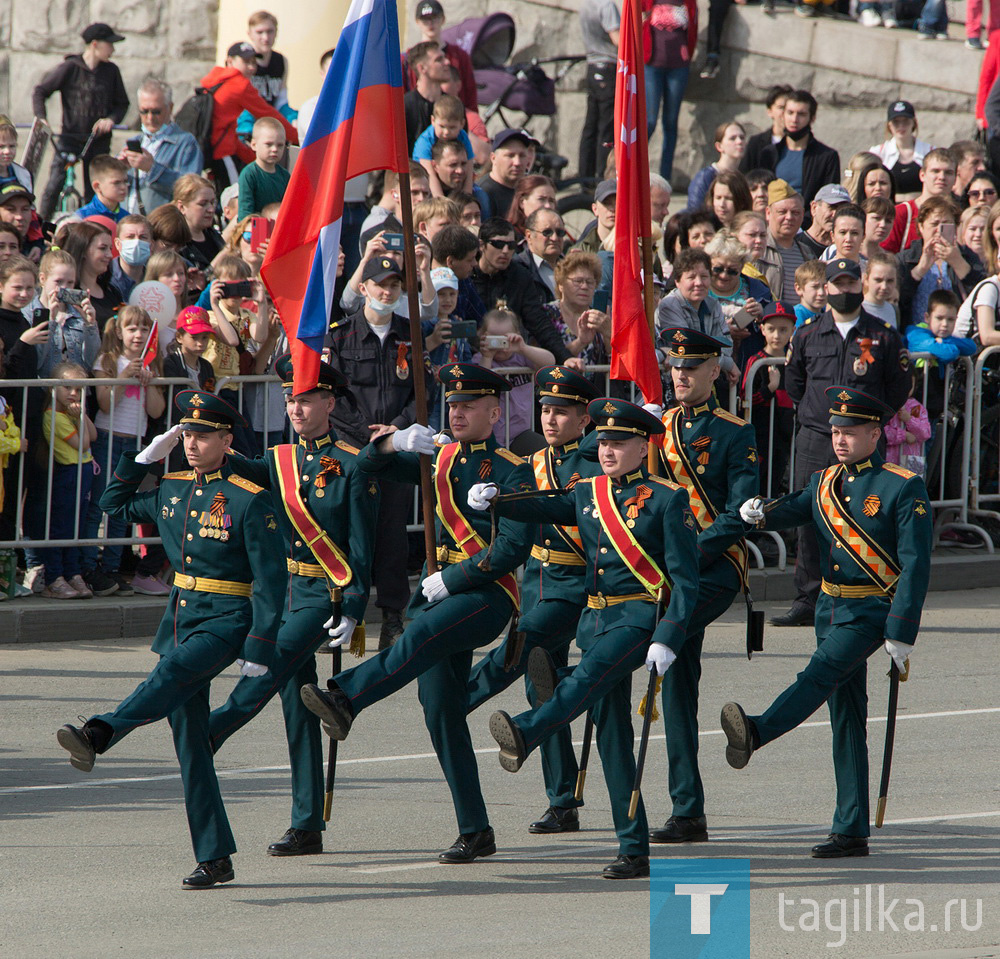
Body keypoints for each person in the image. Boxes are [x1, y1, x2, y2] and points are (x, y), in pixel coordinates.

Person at [300, 364, 534, 863]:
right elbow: (367, 468)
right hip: (438, 590)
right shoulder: (438, 458)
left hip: (486, 593)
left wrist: (454, 578)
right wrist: (394, 444)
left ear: (495, 412)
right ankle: (475, 829)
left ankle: (347, 698)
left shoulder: (513, 468)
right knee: (441, 713)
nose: (457, 411)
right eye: (453, 404)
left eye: (469, 405)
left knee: (416, 635)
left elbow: (513, 548)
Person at [56, 390, 287, 887]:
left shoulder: (250, 498)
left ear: (227, 440)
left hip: (227, 617)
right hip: (181, 615)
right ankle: (215, 856)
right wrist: (142, 458)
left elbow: (271, 580)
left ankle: (101, 732)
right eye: (187, 434)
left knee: (174, 670)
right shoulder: (173, 488)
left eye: (203, 435)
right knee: (192, 748)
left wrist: (261, 646)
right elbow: (112, 503)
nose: (192, 443)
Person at [470, 398, 700, 879]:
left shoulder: (667, 497)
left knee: (586, 678)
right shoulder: (588, 490)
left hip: (638, 619)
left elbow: (686, 579)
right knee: (613, 736)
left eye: (618, 443)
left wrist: (670, 636)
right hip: (594, 622)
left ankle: (529, 729)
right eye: (603, 443)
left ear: (643, 446)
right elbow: (547, 503)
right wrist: (498, 497)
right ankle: (633, 847)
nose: (608, 450)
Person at [727, 386, 932, 858]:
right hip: (830, 607)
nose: (839, 439)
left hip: (870, 611)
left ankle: (758, 730)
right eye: (835, 431)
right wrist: (759, 513)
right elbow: (794, 508)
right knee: (847, 715)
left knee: (817, 675)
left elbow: (916, 563)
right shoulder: (824, 482)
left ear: (875, 433)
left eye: (850, 431)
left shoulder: (902, 485)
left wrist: (901, 630)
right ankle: (851, 828)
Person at [207, 354, 377, 856]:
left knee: (268, 664)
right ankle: (306, 823)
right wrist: (204, 433)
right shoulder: (280, 459)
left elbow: (362, 544)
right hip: (283, 593)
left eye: (305, 399)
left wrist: (353, 605)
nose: (295, 408)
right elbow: (239, 466)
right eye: (289, 399)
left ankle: (212, 730)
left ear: (328, 402)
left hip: (322, 594)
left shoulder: (351, 462)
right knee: (298, 706)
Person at [463, 366, 601, 834]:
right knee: (542, 685)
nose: (549, 419)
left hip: (579, 583)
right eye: (544, 409)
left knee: (521, 645)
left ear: (585, 419)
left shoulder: (595, 463)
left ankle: (460, 700)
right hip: (539, 577)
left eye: (561, 412)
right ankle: (562, 800)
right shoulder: (534, 460)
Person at [640, 329, 758, 845]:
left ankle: (578, 684)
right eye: (675, 366)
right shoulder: (656, 426)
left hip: (713, 567)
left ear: (716, 371)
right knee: (679, 679)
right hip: (665, 568)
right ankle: (687, 811)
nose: (681, 375)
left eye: (693, 367)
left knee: (665, 635)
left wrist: (686, 552)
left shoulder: (735, 432)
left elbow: (739, 515)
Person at [770, 259, 911, 628]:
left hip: (864, 440)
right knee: (809, 517)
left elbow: (898, 387)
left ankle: (870, 588)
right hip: (817, 437)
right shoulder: (807, 333)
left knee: (867, 514)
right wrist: (822, 420)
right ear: (826, 288)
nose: (844, 290)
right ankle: (808, 597)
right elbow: (795, 384)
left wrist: (869, 426)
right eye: (837, 284)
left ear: (861, 287)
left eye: (851, 283)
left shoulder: (883, 335)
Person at [326, 256, 432, 649]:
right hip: (351, 450)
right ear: (364, 287)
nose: (387, 292)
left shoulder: (412, 336)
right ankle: (335, 614)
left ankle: (391, 618)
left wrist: (398, 429)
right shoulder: (340, 336)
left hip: (396, 450)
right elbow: (335, 396)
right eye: (379, 284)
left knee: (391, 536)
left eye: (394, 286)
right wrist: (367, 436)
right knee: (342, 532)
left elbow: (423, 392)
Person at [83, 305, 167, 596]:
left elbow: (157, 411)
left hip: (134, 442)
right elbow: (105, 403)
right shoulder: (107, 359)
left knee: (121, 509)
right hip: (107, 437)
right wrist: (124, 378)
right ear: (119, 331)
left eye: (144, 329)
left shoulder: (151, 363)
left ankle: (112, 571)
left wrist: (149, 382)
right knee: (98, 506)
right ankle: (87, 567)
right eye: (132, 328)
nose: (139, 334)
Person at [33, 23, 130, 221]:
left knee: (94, 189)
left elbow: (123, 103)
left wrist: (110, 119)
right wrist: (42, 118)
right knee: (54, 185)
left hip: (98, 139)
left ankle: (95, 228)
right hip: (69, 137)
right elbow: (40, 91)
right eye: (109, 44)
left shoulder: (111, 71)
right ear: (95, 44)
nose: (113, 49)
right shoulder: (70, 68)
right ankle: (42, 228)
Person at [199, 41, 298, 188]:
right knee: (234, 198)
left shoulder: (215, 79)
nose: (252, 67)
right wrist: (299, 138)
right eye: (246, 62)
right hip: (222, 151)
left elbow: (226, 126)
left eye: (254, 62)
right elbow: (269, 114)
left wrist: (251, 157)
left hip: (206, 148)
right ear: (230, 61)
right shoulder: (239, 85)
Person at [35, 362, 96, 599]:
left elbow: (94, 434)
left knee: (76, 528)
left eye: (78, 389)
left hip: (83, 471)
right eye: (67, 387)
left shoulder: (72, 413)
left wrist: (81, 415)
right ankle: (54, 577)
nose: (73, 393)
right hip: (68, 473)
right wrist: (79, 418)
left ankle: (73, 573)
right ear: (53, 389)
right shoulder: (53, 415)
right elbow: (84, 444)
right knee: (61, 527)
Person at [472, 218, 571, 361]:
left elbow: (538, 322)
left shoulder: (520, 275)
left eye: (511, 245)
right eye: (499, 244)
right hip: (473, 360)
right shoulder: (467, 274)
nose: (505, 251)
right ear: (482, 245)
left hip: (511, 361)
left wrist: (565, 357)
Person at [896, 197, 985, 329]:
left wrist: (958, 262)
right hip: (915, 335)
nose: (939, 229)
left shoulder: (967, 256)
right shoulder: (905, 259)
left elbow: (982, 297)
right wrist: (920, 269)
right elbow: (897, 300)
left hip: (956, 335)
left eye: (945, 224)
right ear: (921, 226)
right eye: (934, 224)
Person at [473, 308, 555, 448]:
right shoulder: (481, 359)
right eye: (495, 339)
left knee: (541, 453)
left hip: (521, 432)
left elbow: (550, 361)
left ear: (516, 335)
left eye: (504, 339)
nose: (500, 346)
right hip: (491, 432)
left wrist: (522, 348)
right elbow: (481, 385)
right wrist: (487, 356)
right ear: (483, 337)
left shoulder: (523, 357)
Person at [657, 248, 737, 390]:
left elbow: (726, 343)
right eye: (691, 277)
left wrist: (718, 360)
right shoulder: (669, 305)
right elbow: (687, 348)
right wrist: (728, 364)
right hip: (674, 382)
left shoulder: (713, 304)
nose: (699, 282)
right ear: (677, 281)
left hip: (705, 381)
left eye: (704, 276)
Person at [121, 79, 203, 216]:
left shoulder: (186, 143)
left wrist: (152, 169)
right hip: (129, 222)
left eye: (156, 111)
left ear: (170, 108)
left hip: (162, 226)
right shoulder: (135, 141)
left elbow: (191, 190)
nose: (150, 118)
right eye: (144, 111)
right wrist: (119, 169)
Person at [740, 305, 795, 496]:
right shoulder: (756, 360)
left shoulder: (794, 360)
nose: (777, 335)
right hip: (762, 430)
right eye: (771, 329)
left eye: (783, 329)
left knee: (780, 473)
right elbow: (745, 398)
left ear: (792, 331)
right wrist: (770, 388)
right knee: (760, 476)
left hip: (786, 429)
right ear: (762, 329)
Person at [643, 0, 697, 180]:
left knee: (671, 122)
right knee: (649, 121)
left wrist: (688, 55)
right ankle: (634, 169)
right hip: (651, 64)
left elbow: (693, 31)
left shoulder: (688, 2)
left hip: (678, 67)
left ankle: (664, 178)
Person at [759, 90, 840, 207]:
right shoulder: (769, 153)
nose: (794, 119)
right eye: (790, 113)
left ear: (812, 118)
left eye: (801, 114)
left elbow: (829, 200)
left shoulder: (827, 157)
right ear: (783, 115)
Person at [27, 249, 100, 377]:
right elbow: (35, 362)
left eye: (70, 282)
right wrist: (51, 320)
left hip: (76, 392)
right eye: (58, 281)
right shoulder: (29, 312)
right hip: (43, 392)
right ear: (42, 279)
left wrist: (91, 325)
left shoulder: (79, 314)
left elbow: (91, 364)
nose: (65, 287)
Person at [542, 252, 612, 366]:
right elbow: (543, 361)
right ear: (561, 284)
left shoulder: (599, 316)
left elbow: (613, 365)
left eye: (590, 282)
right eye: (578, 281)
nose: (584, 287)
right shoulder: (547, 313)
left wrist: (608, 334)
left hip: (594, 384)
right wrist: (581, 342)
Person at [882, 148, 957, 253]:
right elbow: (886, 256)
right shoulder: (902, 212)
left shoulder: (959, 215)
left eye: (948, 172)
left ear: (955, 179)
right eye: (935, 171)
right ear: (922, 175)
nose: (942, 177)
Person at [408, 0, 478, 112]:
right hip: (420, 115)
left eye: (435, 17)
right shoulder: (408, 58)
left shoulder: (459, 55)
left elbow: (470, 93)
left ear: (443, 19)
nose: (430, 23)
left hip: (454, 117)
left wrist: (471, 120)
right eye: (425, 19)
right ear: (417, 22)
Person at [578, 0, 621, 181]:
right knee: (606, 128)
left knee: (591, 126)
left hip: (593, 67)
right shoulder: (606, 5)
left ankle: (585, 176)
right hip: (608, 65)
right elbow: (617, 38)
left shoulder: (587, 4)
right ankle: (602, 177)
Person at [763, 179, 810, 310]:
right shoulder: (757, 250)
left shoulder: (808, 253)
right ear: (768, 213)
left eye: (795, 212)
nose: (789, 217)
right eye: (782, 212)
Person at [414, 96, 475, 196]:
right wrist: (441, 201)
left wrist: (467, 195)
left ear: (462, 124)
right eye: (442, 126)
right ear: (433, 120)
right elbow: (430, 174)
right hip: (425, 181)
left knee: (481, 198)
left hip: (452, 182)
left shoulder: (462, 136)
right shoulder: (425, 141)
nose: (446, 132)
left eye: (452, 127)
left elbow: (469, 164)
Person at [868, 101, 933, 196]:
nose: (901, 126)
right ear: (889, 125)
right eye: (896, 122)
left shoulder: (930, 152)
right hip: (889, 208)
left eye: (905, 121)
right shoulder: (878, 153)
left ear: (914, 123)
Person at [686, 121, 746, 212]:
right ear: (719, 146)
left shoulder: (743, 176)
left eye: (742, 137)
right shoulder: (705, 177)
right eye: (732, 138)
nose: (739, 141)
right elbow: (694, 211)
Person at [237, 117, 289, 220]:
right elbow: (245, 213)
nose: (274, 149)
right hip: (257, 231)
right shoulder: (249, 174)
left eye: (280, 145)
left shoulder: (285, 175)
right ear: (254, 145)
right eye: (268, 144)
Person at [404, 41, 451, 155]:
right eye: (439, 59)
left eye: (444, 57)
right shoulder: (405, 106)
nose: (447, 62)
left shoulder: (453, 105)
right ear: (422, 68)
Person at [478, 129, 537, 220]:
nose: (517, 162)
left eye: (522, 155)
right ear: (493, 158)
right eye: (510, 155)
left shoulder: (529, 189)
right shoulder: (483, 193)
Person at [741, 85, 793, 174]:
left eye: (789, 108)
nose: (785, 112)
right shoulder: (756, 143)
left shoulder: (801, 143)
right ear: (770, 111)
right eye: (781, 107)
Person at [163, 306, 217, 391]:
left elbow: (210, 395)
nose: (200, 343)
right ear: (179, 337)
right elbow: (174, 398)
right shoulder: (170, 364)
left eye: (205, 337)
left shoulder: (207, 366)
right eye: (194, 337)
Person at [517, 208, 567, 298]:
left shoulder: (571, 268)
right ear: (529, 236)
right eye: (547, 232)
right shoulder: (518, 269)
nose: (554, 238)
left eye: (560, 232)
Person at [75, 155, 129, 222]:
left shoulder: (126, 217)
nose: (123, 187)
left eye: (125, 181)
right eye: (116, 183)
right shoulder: (82, 217)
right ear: (97, 186)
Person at [110, 214, 153, 299]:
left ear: (151, 245)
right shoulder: (105, 276)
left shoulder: (155, 278)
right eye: (130, 237)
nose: (137, 242)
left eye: (143, 237)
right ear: (118, 244)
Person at [573, 179, 617, 254]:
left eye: (617, 203)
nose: (612, 209)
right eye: (606, 203)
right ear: (595, 209)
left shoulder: (634, 247)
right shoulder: (581, 250)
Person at [861, 249, 900, 327]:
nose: (884, 287)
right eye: (878, 280)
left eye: (890, 281)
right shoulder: (857, 309)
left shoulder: (893, 310)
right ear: (866, 279)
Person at [792, 259, 827, 328]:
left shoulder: (827, 311)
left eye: (825, 286)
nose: (821, 293)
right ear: (799, 289)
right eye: (815, 287)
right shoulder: (796, 315)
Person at [861, 196, 896, 262]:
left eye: (888, 221)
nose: (883, 225)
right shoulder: (847, 252)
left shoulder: (890, 260)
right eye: (877, 218)